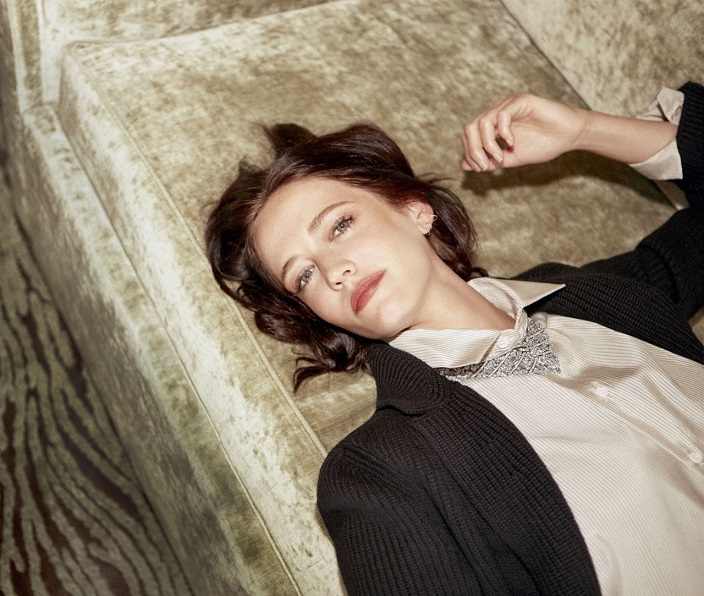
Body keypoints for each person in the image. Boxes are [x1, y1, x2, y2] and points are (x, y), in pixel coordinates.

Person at [205, 81, 704, 595]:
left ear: (414, 209)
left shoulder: (599, 294)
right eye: (304, 275)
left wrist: (585, 129)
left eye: (339, 226)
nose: (335, 271)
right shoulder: (377, 474)